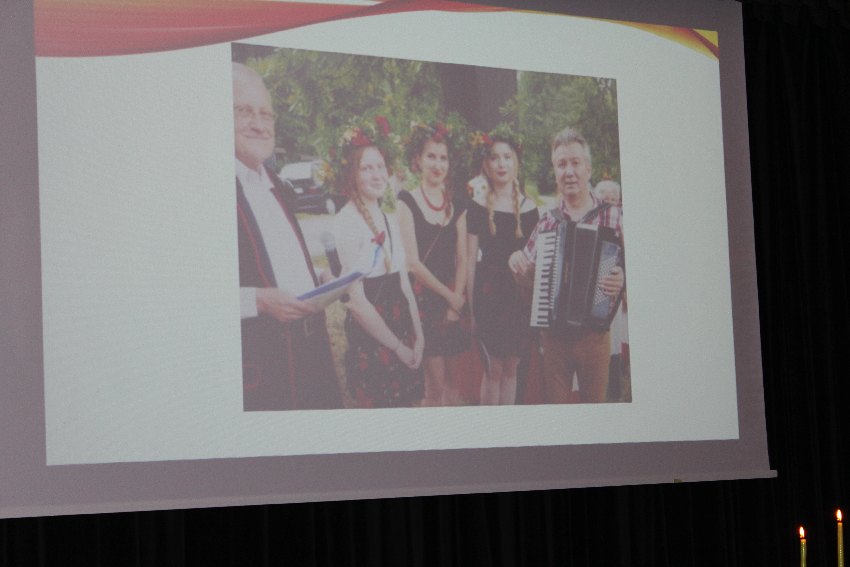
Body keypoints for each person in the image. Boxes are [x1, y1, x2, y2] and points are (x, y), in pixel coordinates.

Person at [233, 62, 342, 411]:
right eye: (244, 111)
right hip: (266, 370)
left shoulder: (277, 186)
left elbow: (279, 257)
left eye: (266, 114)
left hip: (314, 356)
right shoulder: (205, 193)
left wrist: (318, 276)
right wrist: (258, 300)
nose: (259, 124)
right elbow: (184, 296)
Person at [509, 127, 625, 403]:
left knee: (595, 411)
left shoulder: (612, 216)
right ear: (555, 171)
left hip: (595, 336)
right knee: (559, 411)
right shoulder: (548, 220)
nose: (569, 172)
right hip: (554, 339)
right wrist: (516, 264)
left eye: (575, 163)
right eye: (561, 165)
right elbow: (527, 276)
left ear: (588, 169)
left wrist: (622, 277)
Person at [331, 118, 425, 408]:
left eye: (380, 166)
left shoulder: (388, 218)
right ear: (352, 174)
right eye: (366, 168)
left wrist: (418, 336)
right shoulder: (346, 222)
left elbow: (404, 283)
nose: (377, 175)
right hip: (375, 338)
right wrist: (397, 347)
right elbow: (357, 303)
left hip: (401, 329)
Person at [465, 126, 539, 405]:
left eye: (507, 157)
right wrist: (472, 310)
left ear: (516, 162)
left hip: (518, 298)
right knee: (493, 370)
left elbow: (535, 263)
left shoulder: (530, 209)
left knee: (511, 369)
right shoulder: (478, 206)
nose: (501, 164)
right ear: (486, 164)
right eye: (494, 157)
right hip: (489, 297)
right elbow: (470, 262)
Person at [397, 121, 468, 406]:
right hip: (425, 302)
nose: (438, 165)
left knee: (455, 385)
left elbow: (463, 258)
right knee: (434, 387)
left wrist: (456, 302)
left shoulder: (458, 204)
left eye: (443, 158)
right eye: (431, 157)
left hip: (453, 301)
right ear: (418, 159)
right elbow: (413, 262)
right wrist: (450, 297)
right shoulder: (406, 201)